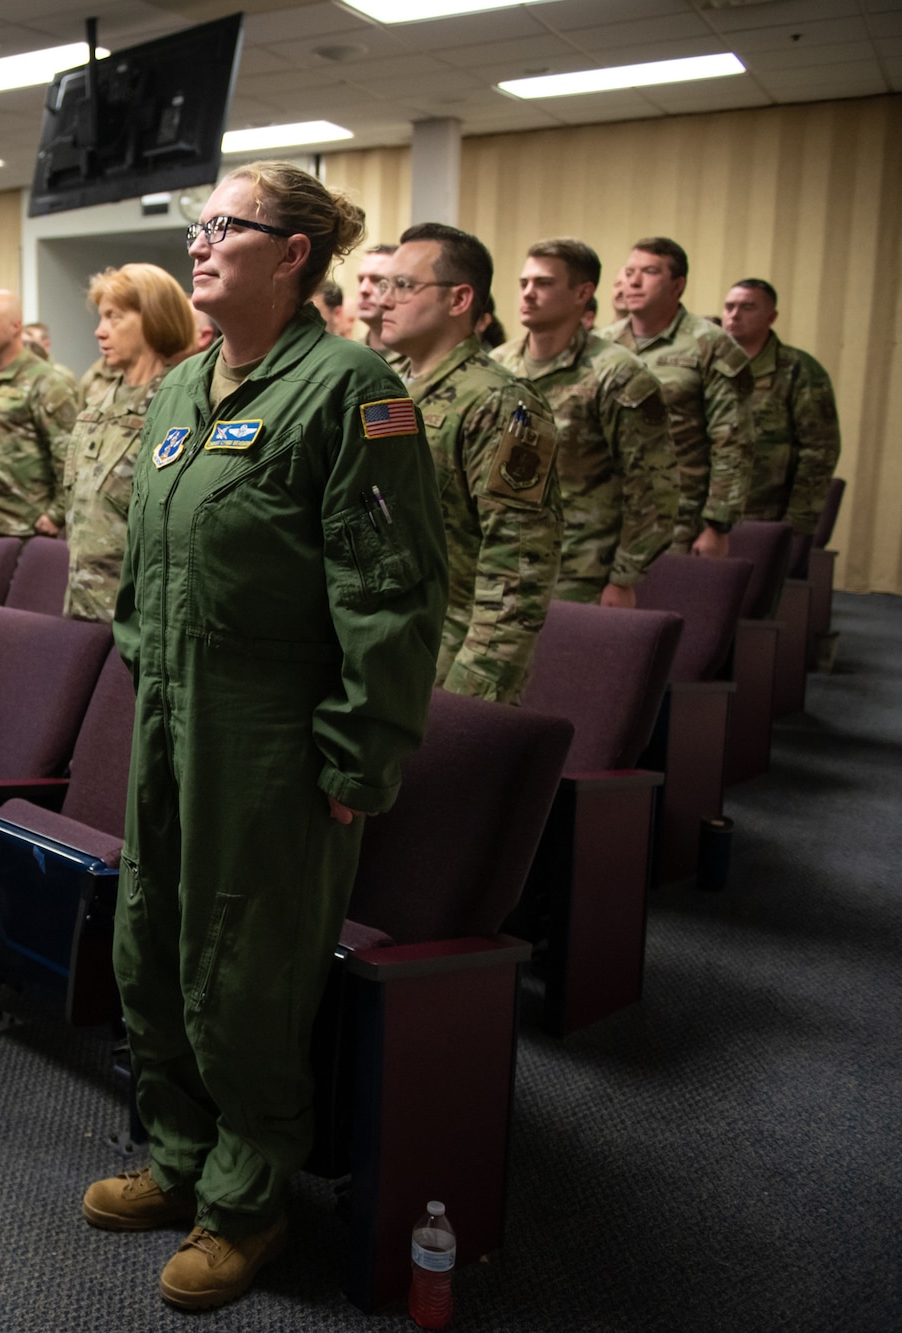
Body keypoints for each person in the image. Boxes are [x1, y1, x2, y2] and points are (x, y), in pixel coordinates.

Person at [89, 162, 445, 1312]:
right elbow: (148, 556)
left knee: (243, 965)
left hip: (269, 725)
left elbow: (389, 591)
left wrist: (358, 749)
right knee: (149, 940)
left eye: (223, 228)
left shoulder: (352, 389)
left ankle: (248, 1202)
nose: (198, 245)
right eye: (195, 229)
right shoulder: (184, 384)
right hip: (168, 706)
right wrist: (145, 661)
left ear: (292, 253)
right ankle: (182, 1156)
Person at [380, 222, 561, 704]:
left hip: (448, 658)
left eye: (403, 285)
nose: (385, 299)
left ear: (460, 299)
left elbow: (518, 565)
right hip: (378, 648)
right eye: (384, 284)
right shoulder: (383, 388)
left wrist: (474, 693)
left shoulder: (503, 404)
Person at [493, 239, 675, 606]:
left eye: (543, 284)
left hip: (581, 572)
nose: (528, 294)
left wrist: (625, 578)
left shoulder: (618, 374)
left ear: (582, 293)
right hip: (500, 563)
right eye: (524, 283)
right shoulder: (498, 365)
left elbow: (653, 486)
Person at [600, 238, 754, 556]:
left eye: (650, 271)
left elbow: (732, 440)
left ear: (677, 285)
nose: (634, 280)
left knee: (661, 603)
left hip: (675, 519)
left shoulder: (712, 345)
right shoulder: (598, 344)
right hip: (599, 513)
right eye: (629, 271)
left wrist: (717, 525)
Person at [59, 264, 194, 623]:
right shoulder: (95, 408)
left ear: (153, 318)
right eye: (101, 317)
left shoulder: (182, 404)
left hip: (143, 620)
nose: (100, 331)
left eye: (114, 318)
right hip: (83, 606)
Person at [722, 278, 841, 538]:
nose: (734, 315)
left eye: (747, 307)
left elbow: (820, 452)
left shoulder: (797, 369)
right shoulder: (710, 366)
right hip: (704, 515)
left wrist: (796, 526)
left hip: (764, 518)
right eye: (729, 307)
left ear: (771, 317)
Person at [0, 288, 80, 540]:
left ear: (15, 326)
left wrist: (56, 514)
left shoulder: (46, 381)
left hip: (27, 526)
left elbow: (70, 456)